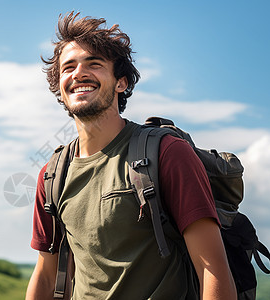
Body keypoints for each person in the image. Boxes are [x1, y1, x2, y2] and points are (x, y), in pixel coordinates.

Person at [26, 12, 237, 300]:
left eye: (94, 64)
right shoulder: (52, 175)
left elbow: (212, 271)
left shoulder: (167, 153)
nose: (78, 74)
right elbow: (47, 275)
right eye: (68, 67)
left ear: (121, 83)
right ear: (60, 90)